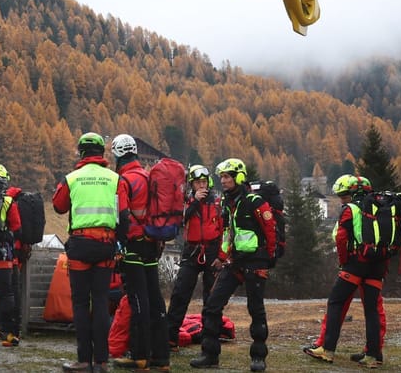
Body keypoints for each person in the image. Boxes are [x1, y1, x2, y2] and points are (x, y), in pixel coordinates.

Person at [190, 158, 277, 372]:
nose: (223, 180)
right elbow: (227, 233)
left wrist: (268, 257)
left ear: (239, 177)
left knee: (255, 309)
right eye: (221, 177)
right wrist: (221, 256)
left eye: (227, 176)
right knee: (212, 305)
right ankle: (210, 354)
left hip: (255, 262)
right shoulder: (228, 203)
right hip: (234, 262)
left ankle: (258, 357)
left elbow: (270, 230)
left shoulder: (254, 201)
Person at [52, 131, 120, 373]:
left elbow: (58, 207)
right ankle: (101, 362)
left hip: (80, 245)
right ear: (102, 152)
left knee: (81, 303)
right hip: (105, 244)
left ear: (81, 152)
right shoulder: (115, 178)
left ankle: (83, 361)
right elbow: (124, 212)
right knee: (101, 302)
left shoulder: (71, 178)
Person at [302, 175, 387, 368]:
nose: (341, 199)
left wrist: (344, 262)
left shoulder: (351, 210)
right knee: (373, 310)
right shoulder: (383, 209)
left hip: (355, 263)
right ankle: (374, 356)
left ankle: (327, 350)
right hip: (377, 265)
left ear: (354, 193)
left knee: (335, 302)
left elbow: (341, 238)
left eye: (344, 195)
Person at [110, 134, 169, 372]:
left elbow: (121, 216)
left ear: (117, 155)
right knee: (155, 300)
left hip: (133, 245)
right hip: (152, 246)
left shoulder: (124, 179)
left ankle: (139, 356)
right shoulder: (149, 176)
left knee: (138, 301)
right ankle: (161, 358)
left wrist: (119, 245)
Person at [166, 164, 222, 349]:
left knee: (211, 297)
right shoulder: (186, 202)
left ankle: (209, 339)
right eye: (198, 183)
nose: (202, 186)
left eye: (204, 182)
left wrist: (221, 256)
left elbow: (225, 229)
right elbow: (180, 220)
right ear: (192, 185)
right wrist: (194, 202)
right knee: (180, 294)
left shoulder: (217, 203)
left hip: (212, 251)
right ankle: (170, 337)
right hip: (191, 251)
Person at [0, 162, 23, 346]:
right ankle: (3, 329)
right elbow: (16, 227)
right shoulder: (9, 201)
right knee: (7, 293)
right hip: (2, 251)